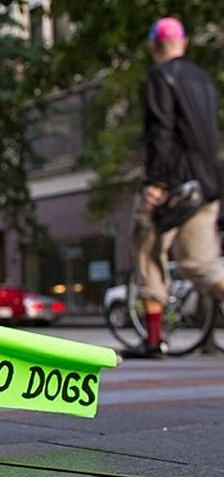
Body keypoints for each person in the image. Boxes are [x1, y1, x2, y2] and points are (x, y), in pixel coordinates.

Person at [132, 17, 224, 357]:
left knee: (147, 248)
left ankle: (153, 339)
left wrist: (157, 183)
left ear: (155, 46)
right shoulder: (205, 81)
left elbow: (163, 131)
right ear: (183, 44)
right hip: (207, 184)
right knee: (201, 266)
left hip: (173, 185)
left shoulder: (161, 75)